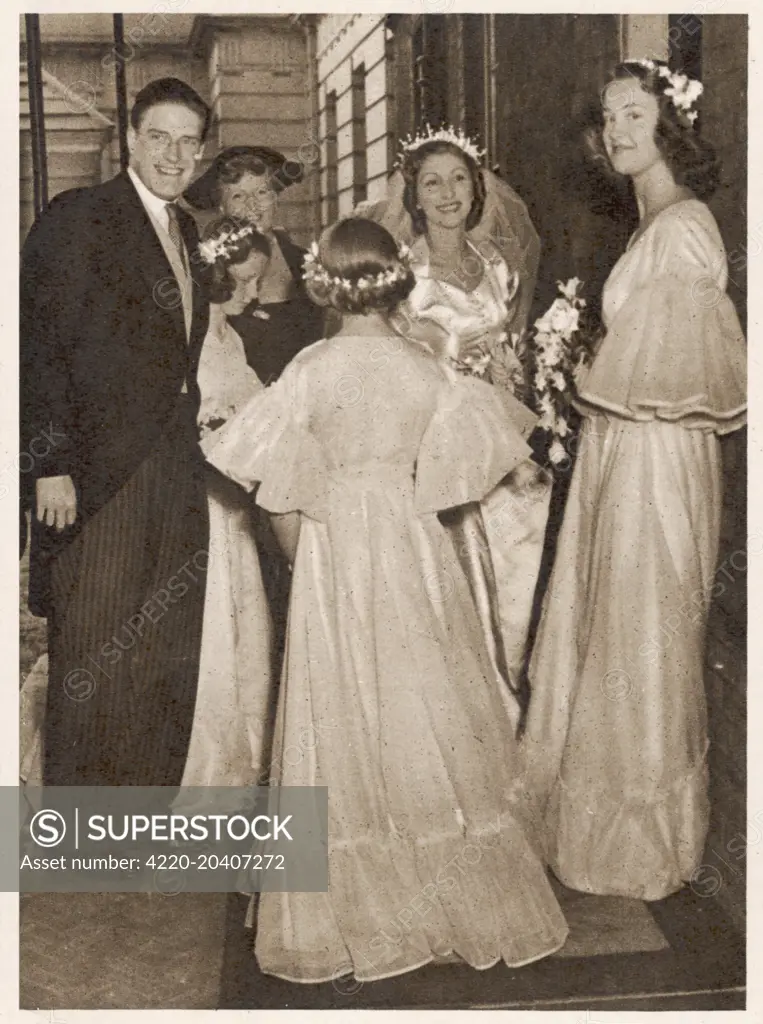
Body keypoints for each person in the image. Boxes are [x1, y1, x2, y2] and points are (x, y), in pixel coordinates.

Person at [202, 217, 569, 984]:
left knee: (339, 703)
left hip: (335, 549)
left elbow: (275, 488)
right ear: (391, 280)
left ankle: (349, 904)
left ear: (324, 283)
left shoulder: (310, 367)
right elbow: (464, 467)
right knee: (421, 699)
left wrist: (304, 560)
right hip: (411, 550)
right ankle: (439, 893)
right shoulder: (423, 365)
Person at [521, 61, 747, 900]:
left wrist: (591, 373)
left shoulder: (682, 227)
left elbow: (680, 374)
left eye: (635, 115)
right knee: (609, 620)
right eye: (609, 115)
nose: (617, 130)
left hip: (655, 457)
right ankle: (593, 818)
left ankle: (639, 841)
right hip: (624, 448)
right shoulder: (648, 219)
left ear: (669, 129)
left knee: (642, 625)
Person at [20, 217, 278, 790]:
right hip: (194, 494)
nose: (256, 294)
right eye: (248, 281)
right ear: (218, 279)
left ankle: (206, 770)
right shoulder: (184, 338)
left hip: (230, 501)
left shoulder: (230, 337)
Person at [20, 78, 213, 786]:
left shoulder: (186, 230)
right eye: (159, 136)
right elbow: (37, 344)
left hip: (172, 464)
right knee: (93, 643)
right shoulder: (81, 216)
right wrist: (50, 464)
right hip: (97, 473)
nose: (173, 154)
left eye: (188, 141)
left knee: (162, 645)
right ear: (130, 138)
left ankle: (141, 813)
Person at [357, 127, 550, 726]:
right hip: (430, 447)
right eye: (431, 182)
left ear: (477, 188)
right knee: (456, 584)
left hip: (502, 444)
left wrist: (515, 379)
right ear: (412, 194)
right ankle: (467, 720)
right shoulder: (398, 275)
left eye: (459, 179)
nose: (447, 194)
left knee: (518, 577)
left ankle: (510, 707)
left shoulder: (499, 264)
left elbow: (514, 348)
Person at [185, 145, 324, 671]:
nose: (252, 205)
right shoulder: (212, 270)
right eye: (237, 195)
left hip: (295, 416)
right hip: (235, 426)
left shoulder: (301, 257)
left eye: (262, 191)